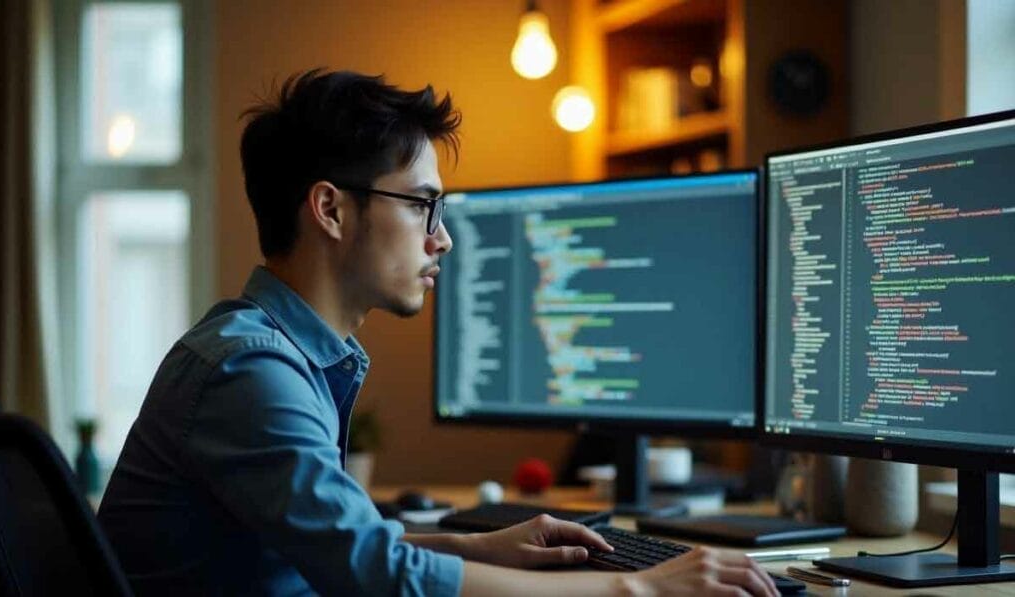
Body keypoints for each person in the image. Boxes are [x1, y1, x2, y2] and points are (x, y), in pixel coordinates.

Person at [97, 69, 778, 596]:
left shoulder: (272, 354)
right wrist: (640, 584)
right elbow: (380, 573)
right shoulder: (250, 372)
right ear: (330, 209)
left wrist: (484, 547)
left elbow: (351, 541)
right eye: (423, 204)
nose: (443, 238)